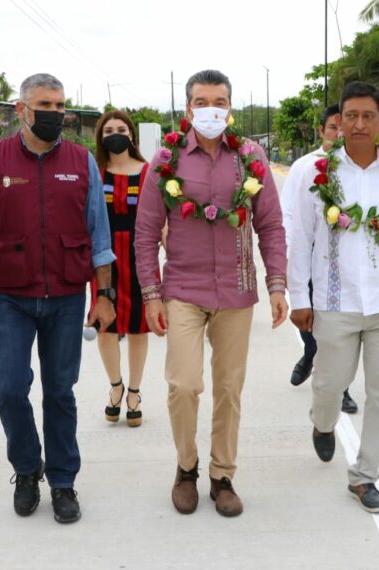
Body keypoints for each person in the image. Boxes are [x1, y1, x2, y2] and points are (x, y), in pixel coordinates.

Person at [0, 73, 116, 524]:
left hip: (65, 298)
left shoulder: (82, 162)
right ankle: (27, 470)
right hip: (12, 298)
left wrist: (103, 294)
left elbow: (99, 238)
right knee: (8, 387)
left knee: (60, 392)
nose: (55, 114)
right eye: (45, 105)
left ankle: (63, 482)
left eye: (61, 105)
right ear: (22, 110)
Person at [134, 69, 288, 518]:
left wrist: (276, 283)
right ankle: (187, 468)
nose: (210, 110)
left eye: (218, 101)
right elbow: (145, 233)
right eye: (201, 102)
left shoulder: (250, 158)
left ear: (230, 108)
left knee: (228, 388)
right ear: (188, 109)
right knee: (183, 385)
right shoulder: (166, 160)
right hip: (182, 288)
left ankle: (222, 476)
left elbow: (271, 226)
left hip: (237, 292)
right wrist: (151, 293)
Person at [288, 81, 379, 514]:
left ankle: (364, 475)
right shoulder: (317, 173)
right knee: (329, 386)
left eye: (367, 116)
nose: (357, 123)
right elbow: (301, 238)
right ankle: (322, 424)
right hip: (335, 303)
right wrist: (300, 296)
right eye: (349, 115)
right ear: (338, 122)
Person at [280, 104, 357, 414]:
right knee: (308, 319)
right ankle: (311, 353)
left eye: (343, 128)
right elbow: (288, 214)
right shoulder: (304, 166)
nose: (338, 135)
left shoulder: (359, 167)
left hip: (343, 263)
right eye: (332, 129)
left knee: (339, 330)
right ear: (322, 132)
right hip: (309, 259)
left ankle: (343, 390)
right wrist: (289, 256)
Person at [90, 110, 151, 427]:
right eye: (108, 129)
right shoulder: (95, 173)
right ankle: (115, 385)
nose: (115, 133)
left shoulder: (148, 172)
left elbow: (160, 220)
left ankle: (135, 393)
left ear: (131, 135)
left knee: (139, 325)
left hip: (140, 254)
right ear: (101, 137)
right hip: (103, 258)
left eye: (121, 128)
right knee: (106, 325)